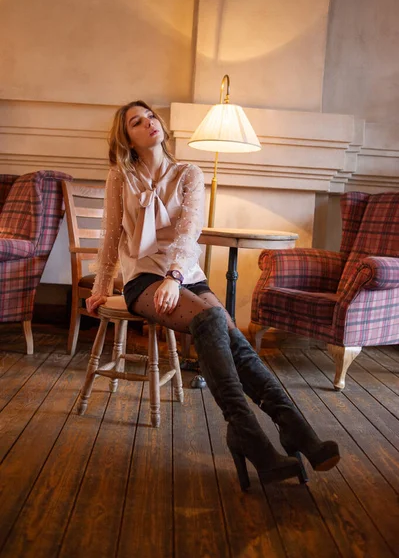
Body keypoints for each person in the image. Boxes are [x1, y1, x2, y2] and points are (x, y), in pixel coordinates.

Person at [86, 100, 340, 491]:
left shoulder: (188, 172)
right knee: (210, 320)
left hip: (186, 276)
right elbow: (112, 236)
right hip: (143, 280)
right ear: (127, 137)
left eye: (152, 116)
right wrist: (101, 288)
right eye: (137, 122)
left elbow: (189, 234)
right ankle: (251, 433)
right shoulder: (120, 177)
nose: (149, 123)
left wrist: (175, 276)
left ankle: (293, 431)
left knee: (235, 339)